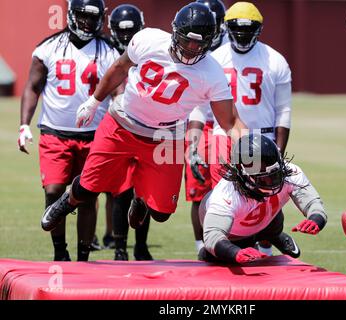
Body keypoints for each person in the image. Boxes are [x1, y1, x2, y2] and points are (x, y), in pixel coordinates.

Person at [40, 3, 247, 245]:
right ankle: (65, 202)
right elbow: (119, 68)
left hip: (166, 136)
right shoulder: (148, 39)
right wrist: (94, 101)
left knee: (161, 213)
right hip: (122, 124)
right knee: (87, 188)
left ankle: (140, 197)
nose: (192, 49)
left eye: (199, 43)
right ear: (174, 32)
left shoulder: (212, 72)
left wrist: (254, 148)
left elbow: (229, 121)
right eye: (187, 41)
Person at [19, 0, 122, 261]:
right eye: (82, 16)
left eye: (93, 17)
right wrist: (24, 124)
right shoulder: (49, 47)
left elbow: (119, 93)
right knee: (53, 191)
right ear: (72, 16)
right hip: (55, 133)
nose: (87, 22)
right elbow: (33, 87)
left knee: (86, 197)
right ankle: (59, 252)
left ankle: (83, 256)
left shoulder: (109, 51)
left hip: (95, 136)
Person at [189, 1, 292, 256]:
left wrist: (279, 149)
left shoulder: (275, 60)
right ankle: (225, 248)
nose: (243, 34)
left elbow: (284, 111)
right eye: (237, 29)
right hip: (225, 139)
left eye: (248, 29)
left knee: (267, 195)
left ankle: (265, 248)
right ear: (227, 28)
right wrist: (193, 145)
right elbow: (199, 107)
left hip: (264, 138)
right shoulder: (214, 58)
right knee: (228, 198)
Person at [198, 133, 328, 264]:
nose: (272, 182)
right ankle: (213, 252)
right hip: (235, 233)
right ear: (243, 174)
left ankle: (274, 235)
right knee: (223, 257)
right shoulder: (226, 194)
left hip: (270, 219)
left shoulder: (290, 172)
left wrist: (316, 218)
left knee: (272, 216)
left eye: (275, 174)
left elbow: (313, 202)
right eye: (264, 178)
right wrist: (234, 252)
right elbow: (213, 236)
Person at [107, 3, 151, 261]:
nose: (125, 37)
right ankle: (120, 248)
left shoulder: (149, 53)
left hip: (146, 127)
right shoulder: (105, 53)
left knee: (143, 193)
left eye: (130, 32)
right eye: (121, 32)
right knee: (121, 191)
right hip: (116, 128)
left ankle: (141, 246)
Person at [185, 0, 228, 256]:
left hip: (225, 124)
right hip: (198, 122)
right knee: (198, 190)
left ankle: (227, 240)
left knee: (228, 189)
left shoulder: (226, 52)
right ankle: (201, 246)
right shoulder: (189, 48)